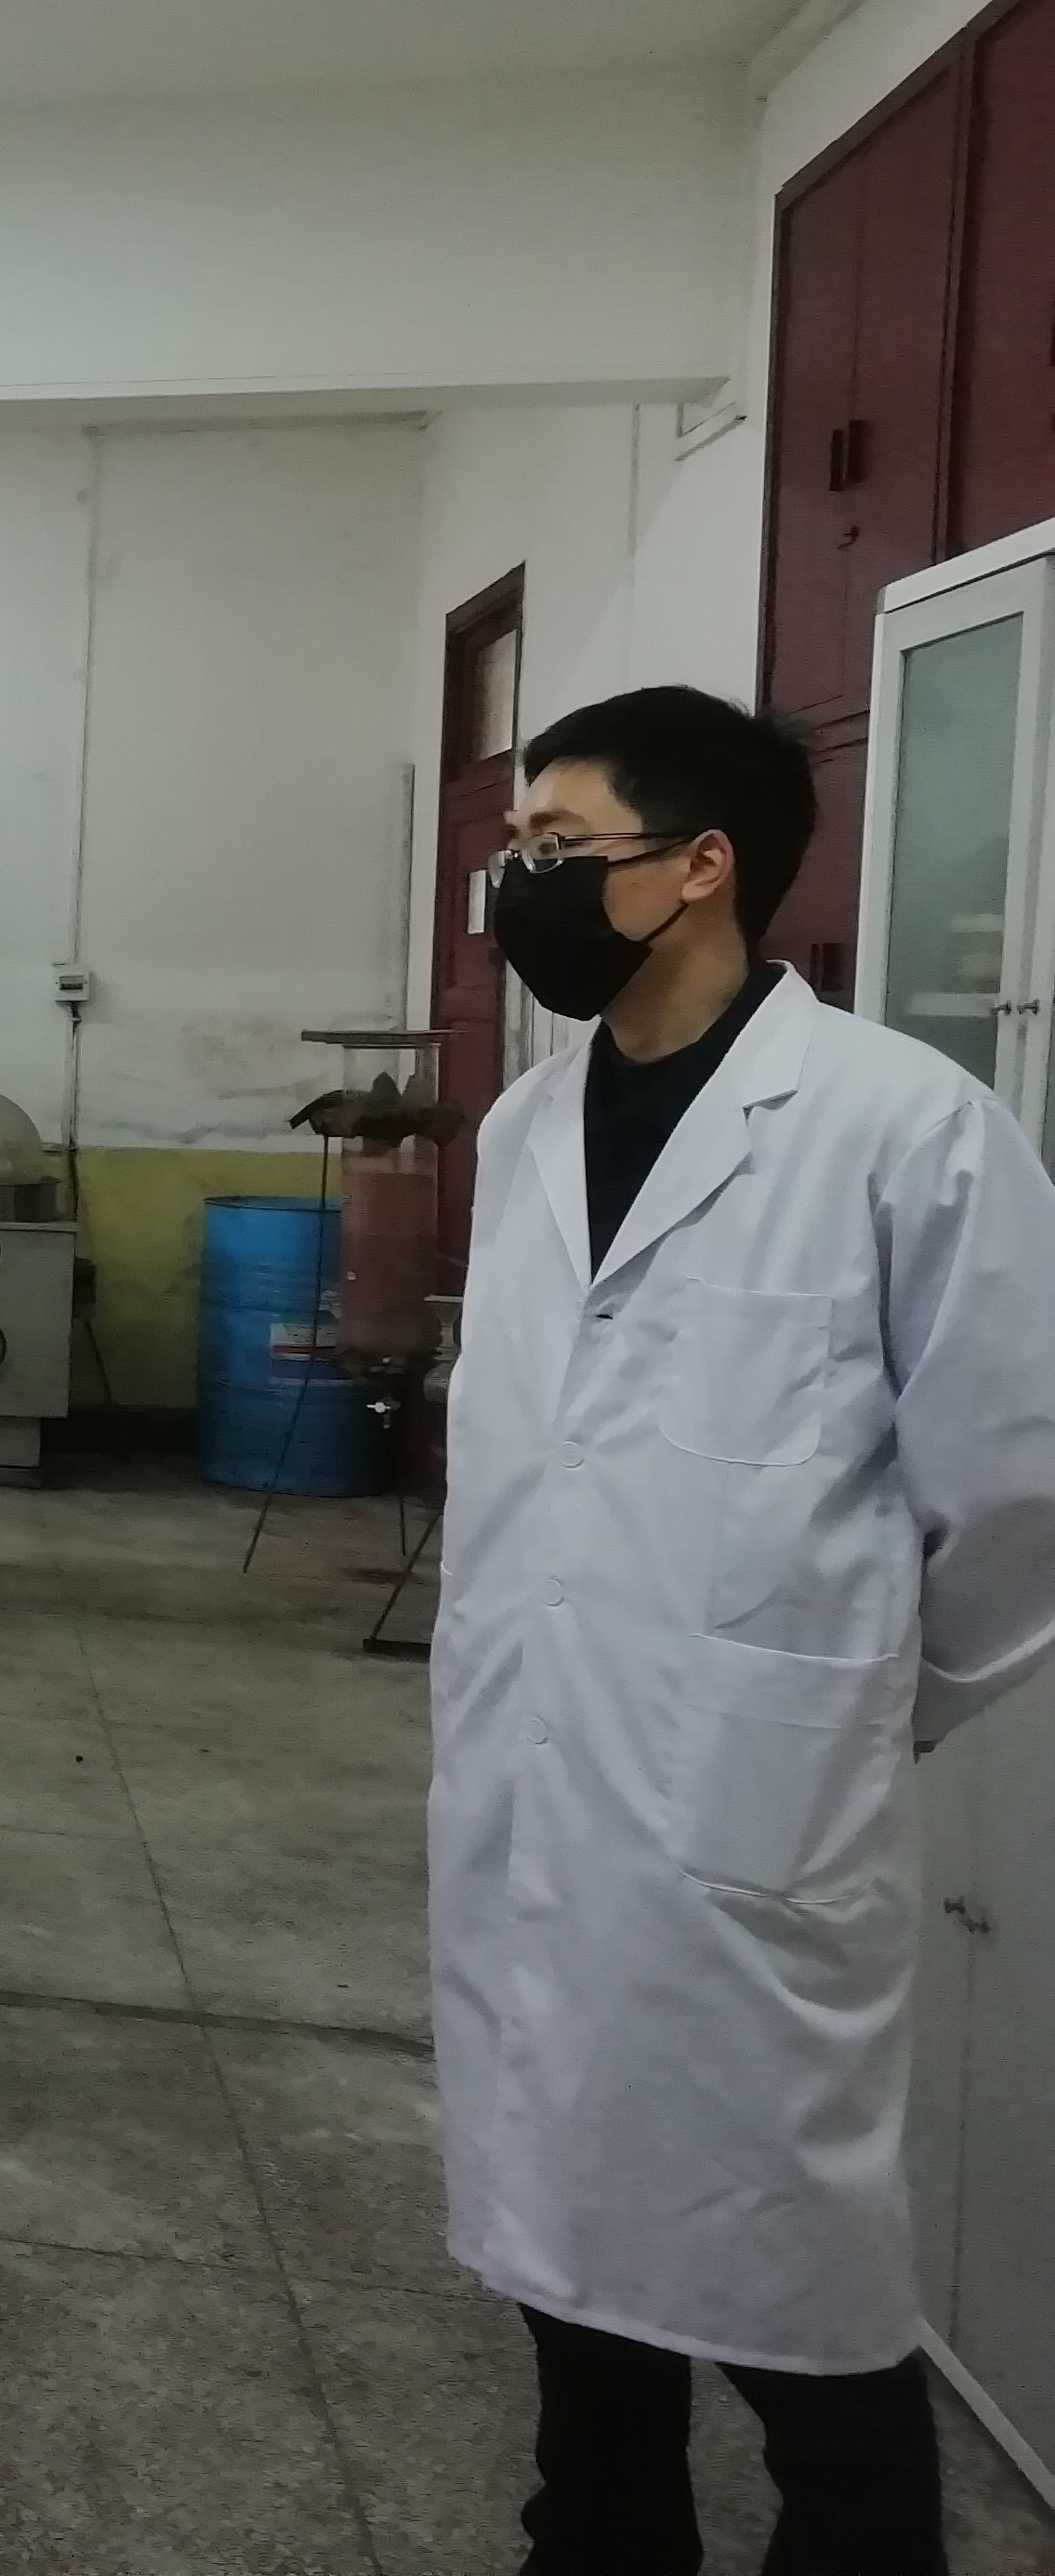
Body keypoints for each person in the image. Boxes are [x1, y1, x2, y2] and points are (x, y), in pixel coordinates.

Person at [437, 685, 1055, 2575]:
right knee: (565, 2211)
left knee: (796, 2270)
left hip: (754, 1798)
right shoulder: (527, 1130)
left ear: (702, 865)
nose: (522, 885)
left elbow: (1016, 1493)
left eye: (561, 846)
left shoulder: (899, 1128)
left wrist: (852, 1694)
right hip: (539, 1767)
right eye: (513, 851)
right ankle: (598, 2537)